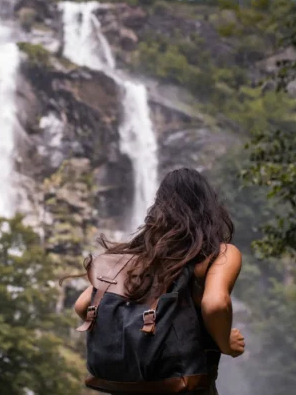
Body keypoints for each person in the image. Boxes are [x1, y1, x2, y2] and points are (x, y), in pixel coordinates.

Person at [71, 168, 246, 394]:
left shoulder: (131, 259)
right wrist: (226, 343)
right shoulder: (219, 254)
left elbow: (82, 305)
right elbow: (215, 304)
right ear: (209, 208)